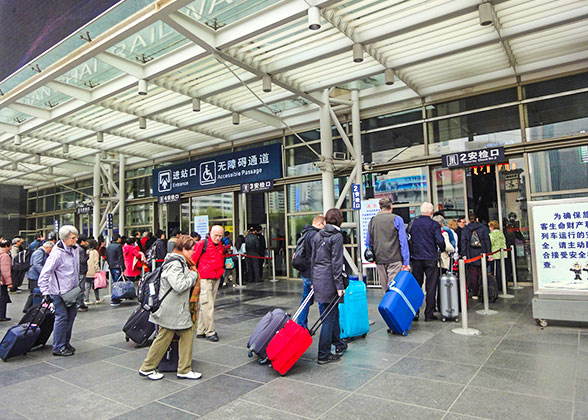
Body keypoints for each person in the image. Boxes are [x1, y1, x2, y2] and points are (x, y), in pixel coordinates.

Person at [139, 235, 201, 381]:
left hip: (174, 309)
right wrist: (193, 276)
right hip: (172, 310)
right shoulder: (176, 263)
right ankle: (149, 367)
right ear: (183, 249)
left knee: (181, 334)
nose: (193, 252)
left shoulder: (177, 260)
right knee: (165, 337)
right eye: (191, 249)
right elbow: (179, 285)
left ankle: (182, 368)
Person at [310, 208, 347, 364]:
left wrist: (313, 281)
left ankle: (338, 344)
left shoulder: (318, 235)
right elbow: (336, 262)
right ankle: (323, 354)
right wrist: (339, 286)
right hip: (330, 281)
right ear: (339, 220)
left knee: (331, 314)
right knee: (328, 319)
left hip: (319, 279)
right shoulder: (337, 236)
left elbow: (313, 260)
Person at [38, 225, 80, 357]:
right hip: (59, 292)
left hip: (72, 291)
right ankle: (58, 346)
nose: (76, 240)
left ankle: (65, 343)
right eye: (73, 238)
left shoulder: (75, 249)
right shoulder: (56, 254)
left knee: (71, 317)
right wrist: (45, 292)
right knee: (62, 318)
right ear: (65, 238)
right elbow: (45, 274)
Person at [410, 202, 446, 321]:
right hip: (430, 258)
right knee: (431, 287)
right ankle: (429, 314)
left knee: (416, 286)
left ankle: (414, 312)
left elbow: (407, 238)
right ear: (431, 212)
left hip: (416, 258)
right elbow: (440, 241)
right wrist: (443, 248)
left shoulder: (413, 223)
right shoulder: (434, 224)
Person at [368, 197, 410, 293]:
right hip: (394, 259)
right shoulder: (397, 219)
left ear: (380, 207)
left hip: (379, 259)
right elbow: (403, 241)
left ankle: (386, 306)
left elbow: (368, 241)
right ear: (391, 207)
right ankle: (393, 307)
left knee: (385, 289)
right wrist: (406, 262)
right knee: (394, 289)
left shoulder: (372, 221)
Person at [193, 225, 226, 342]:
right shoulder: (202, 244)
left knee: (206, 305)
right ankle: (210, 331)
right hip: (204, 277)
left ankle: (201, 329)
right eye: (216, 235)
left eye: (220, 236)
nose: (218, 238)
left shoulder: (220, 246)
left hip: (215, 277)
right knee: (208, 305)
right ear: (210, 233)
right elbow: (193, 260)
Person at [297, 214, 325, 330]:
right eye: (324, 225)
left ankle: (301, 326)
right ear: (319, 224)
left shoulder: (304, 234)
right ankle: (326, 327)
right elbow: (317, 257)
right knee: (322, 302)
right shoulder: (315, 236)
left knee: (305, 301)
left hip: (305, 273)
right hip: (313, 274)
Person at [461, 213, 492, 300]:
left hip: (470, 253)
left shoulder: (466, 229)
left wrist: (464, 254)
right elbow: (487, 241)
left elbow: (463, 242)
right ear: (477, 219)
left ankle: (475, 292)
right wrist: (489, 253)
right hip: (482, 252)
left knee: (473, 274)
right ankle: (483, 292)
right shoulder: (483, 228)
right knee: (482, 273)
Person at [25, 241, 54, 312]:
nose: (51, 251)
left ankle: (28, 308)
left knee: (34, 293)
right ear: (48, 247)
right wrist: (44, 273)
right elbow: (36, 264)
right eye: (51, 249)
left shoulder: (41, 252)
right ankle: (30, 308)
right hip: (34, 276)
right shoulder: (39, 252)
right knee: (35, 293)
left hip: (35, 275)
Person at [83, 239, 103, 306]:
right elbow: (96, 262)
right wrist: (98, 270)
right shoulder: (95, 252)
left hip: (86, 271)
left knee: (87, 286)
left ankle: (86, 299)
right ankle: (97, 299)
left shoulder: (86, 251)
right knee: (95, 286)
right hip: (93, 272)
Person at [488, 220, 507, 291]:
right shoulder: (501, 233)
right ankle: (503, 285)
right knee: (502, 270)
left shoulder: (492, 235)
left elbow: (491, 244)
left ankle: (497, 286)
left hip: (495, 254)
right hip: (503, 254)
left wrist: (490, 255)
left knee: (496, 271)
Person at [0, 240, 13, 321]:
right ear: (7, 246)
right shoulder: (5, 255)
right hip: (2, 281)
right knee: (3, 298)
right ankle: (2, 315)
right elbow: (5, 270)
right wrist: (9, 282)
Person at [77, 234, 90, 312]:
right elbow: (82, 260)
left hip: (79, 271)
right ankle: (79, 304)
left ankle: (80, 303)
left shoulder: (77, 248)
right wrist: (87, 255)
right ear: (82, 241)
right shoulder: (81, 250)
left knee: (81, 287)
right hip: (81, 270)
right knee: (81, 288)